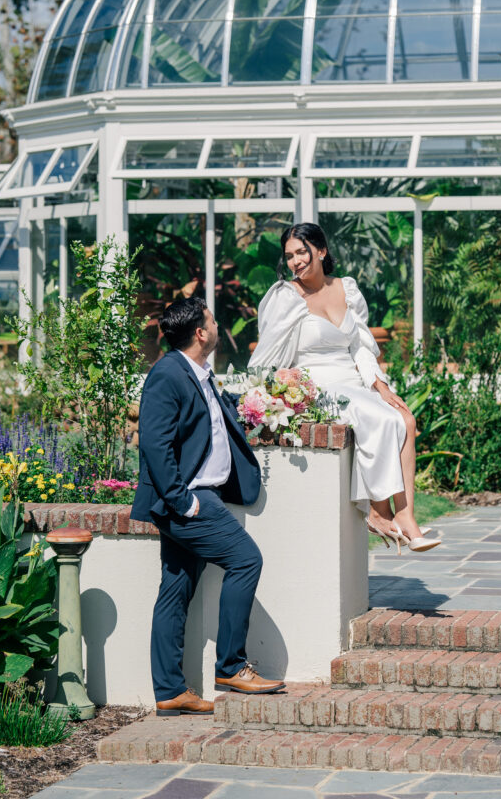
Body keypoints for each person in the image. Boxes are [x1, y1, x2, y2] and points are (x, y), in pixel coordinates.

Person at [131, 296, 285, 716]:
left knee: (175, 590)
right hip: (190, 501)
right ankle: (231, 666)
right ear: (201, 332)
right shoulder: (167, 374)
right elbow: (155, 444)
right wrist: (186, 503)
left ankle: (169, 690)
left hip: (199, 497)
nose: (218, 325)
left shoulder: (197, 372)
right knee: (246, 561)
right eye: (213, 320)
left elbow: (215, 421)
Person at [250, 223, 440, 555]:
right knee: (381, 420)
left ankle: (406, 515)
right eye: (289, 256)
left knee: (405, 419)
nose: (295, 261)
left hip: (354, 379)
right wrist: (277, 394)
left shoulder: (347, 288)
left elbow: (361, 346)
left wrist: (380, 386)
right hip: (316, 385)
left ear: (321, 251)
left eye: (302, 252)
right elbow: (267, 356)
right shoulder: (285, 296)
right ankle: (380, 514)